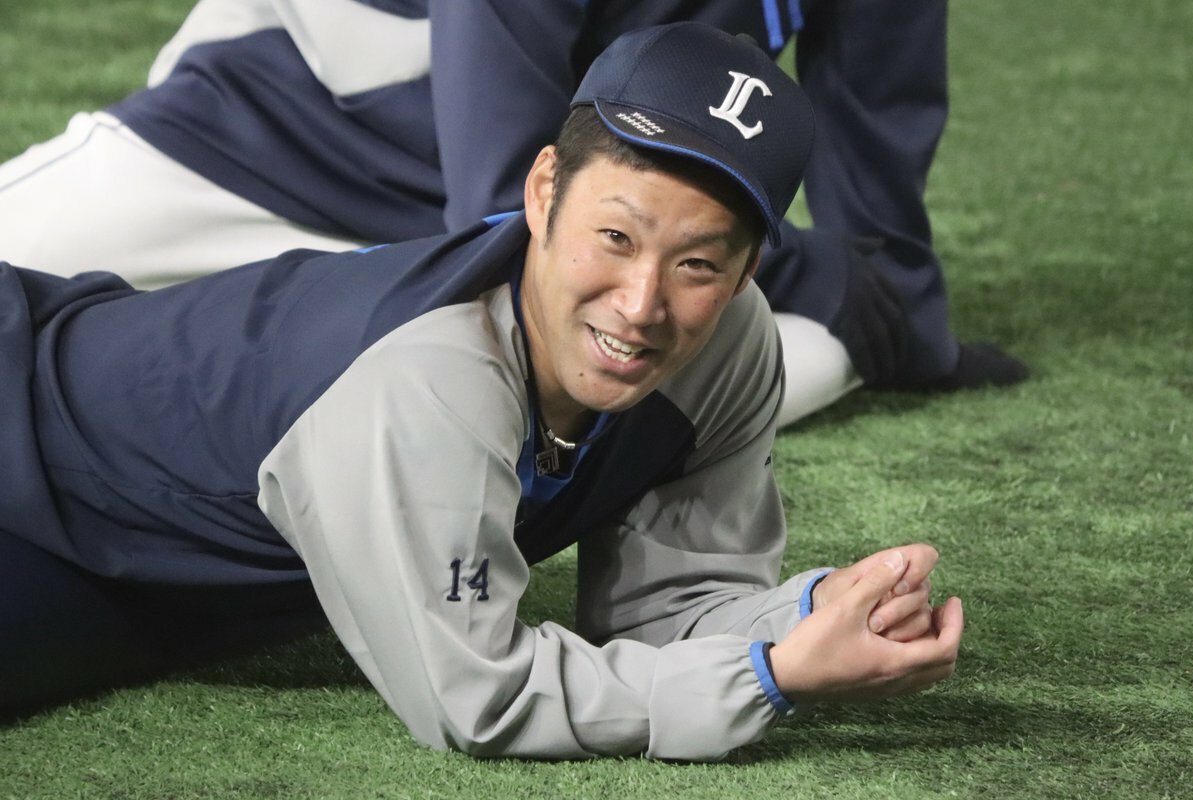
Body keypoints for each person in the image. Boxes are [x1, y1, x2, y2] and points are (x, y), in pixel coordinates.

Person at [0, 24, 962, 759]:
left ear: (750, 270)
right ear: (543, 193)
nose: (640, 305)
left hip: (188, 563)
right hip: (28, 461)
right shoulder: (426, 379)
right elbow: (478, 697)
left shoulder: (729, 346)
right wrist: (770, 676)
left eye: (699, 263)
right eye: (614, 237)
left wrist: (812, 613)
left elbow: (669, 608)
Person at [0, 0, 1028, 427]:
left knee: (799, 342)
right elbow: (507, 190)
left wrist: (902, 313)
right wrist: (804, 267)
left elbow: (877, 98)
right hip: (244, 147)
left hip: (512, 217)